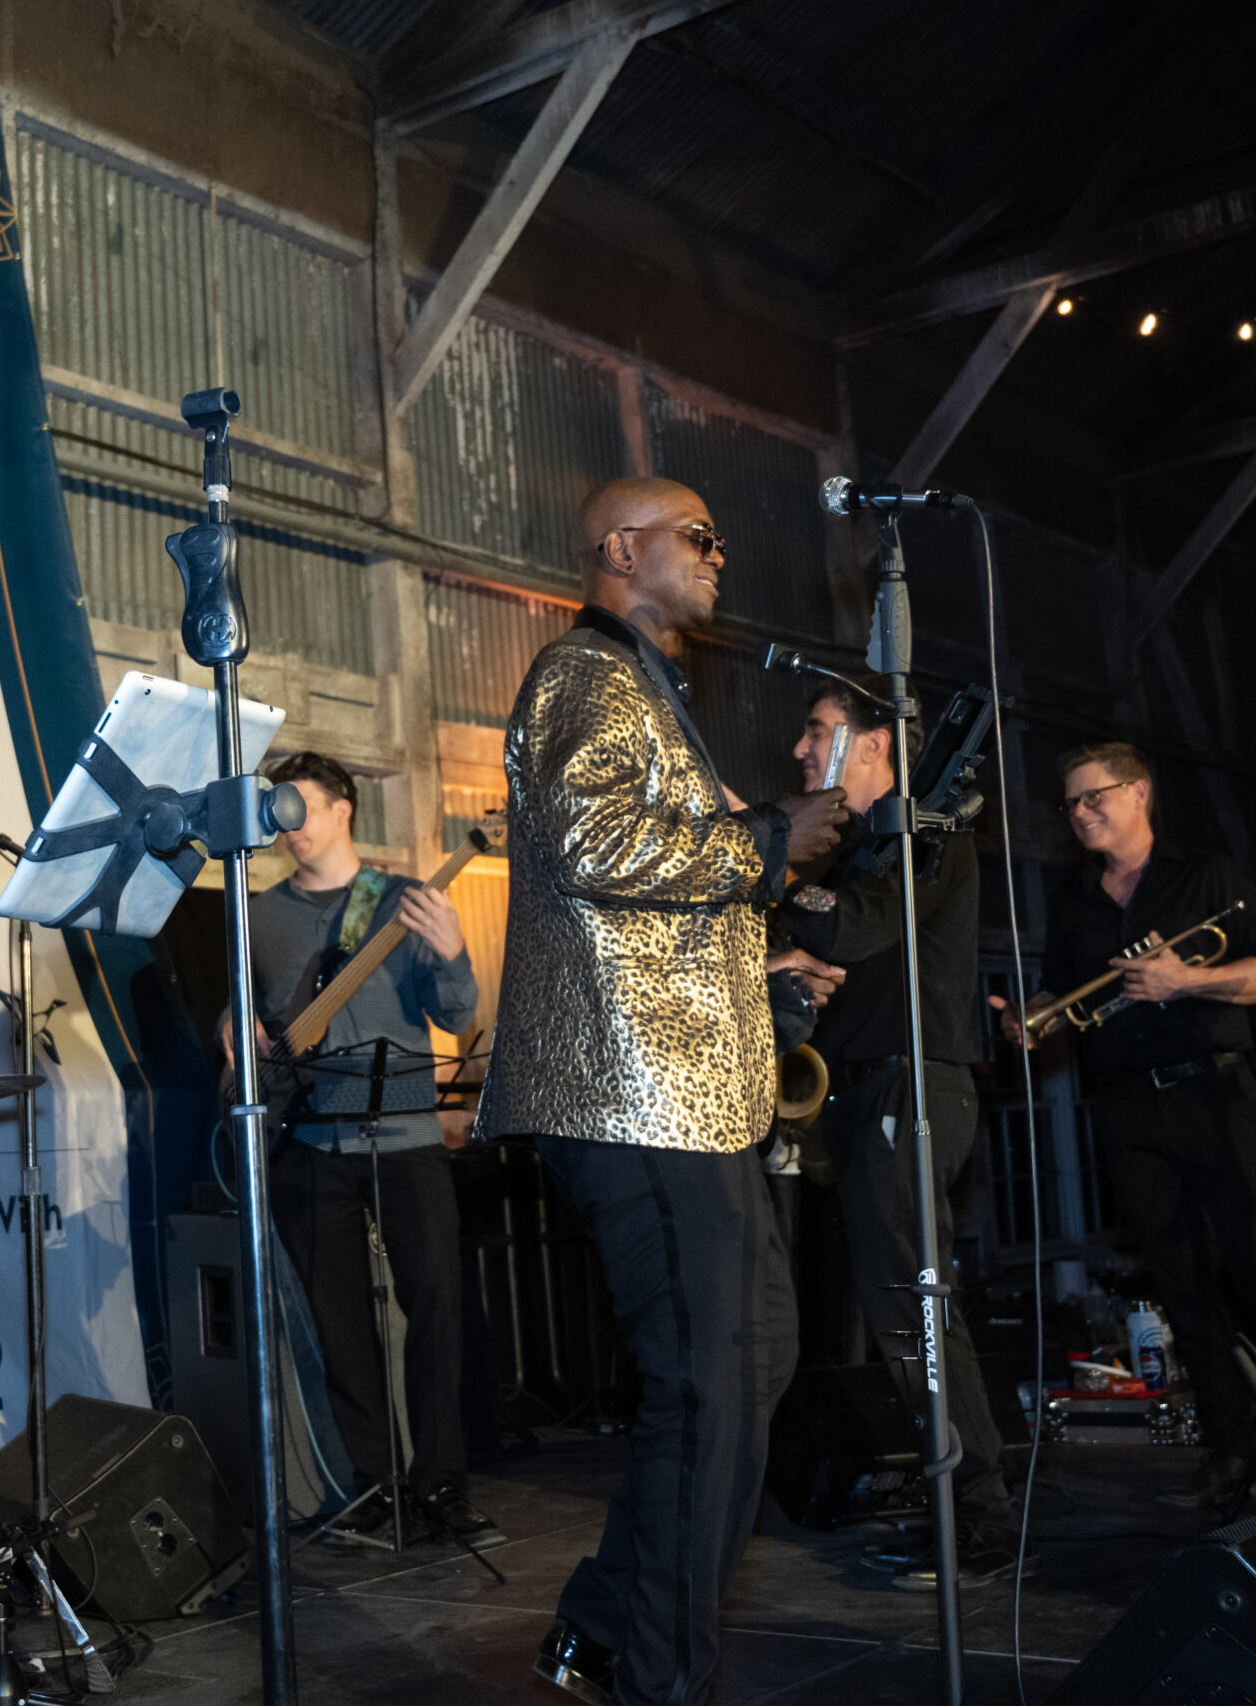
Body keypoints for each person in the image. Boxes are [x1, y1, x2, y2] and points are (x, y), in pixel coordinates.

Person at [482, 477, 843, 1706]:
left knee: (755, 1362)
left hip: (689, 1090)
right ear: (622, 548)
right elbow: (595, 849)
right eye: (698, 535)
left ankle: (597, 1619)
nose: (718, 555)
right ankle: (659, 1679)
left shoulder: (644, 688)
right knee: (709, 1383)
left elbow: (644, 902)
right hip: (633, 1095)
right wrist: (763, 841)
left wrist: (768, 958)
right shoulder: (585, 675)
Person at [996, 742, 1256, 1517]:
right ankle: (1230, 1441)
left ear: (1139, 793)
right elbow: (1057, 987)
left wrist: (1188, 979)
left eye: (1093, 798)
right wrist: (1031, 1018)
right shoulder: (1076, 897)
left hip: (1211, 1094)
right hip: (1124, 1106)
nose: (1079, 813)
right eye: (1071, 803)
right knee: (1181, 1284)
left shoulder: (1205, 876)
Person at [780, 685, 1025, 1589]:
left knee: (920, 1313)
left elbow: (855, 925)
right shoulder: (868, 847)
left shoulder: (927, 833)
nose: (801, 750)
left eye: (818, 731)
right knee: (901, 1316)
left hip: (907, 1088)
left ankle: (984, 1516)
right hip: (866, 1093)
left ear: (875, 742)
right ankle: (959, 1505)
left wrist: (768, 854)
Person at [225, 750, 501, 1550]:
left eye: (299, 808)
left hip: (407, 1137)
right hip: (309, 1143)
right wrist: (235, 1036)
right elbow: (245, 1020)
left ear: (344, 808)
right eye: (276, 812)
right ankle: (376, 1487)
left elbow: (455, 1015)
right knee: (339, 1325)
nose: (288, 827)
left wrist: (450, 948)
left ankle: (443, 1482)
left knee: (439, 1307)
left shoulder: (404, 902)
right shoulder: (259, 916)